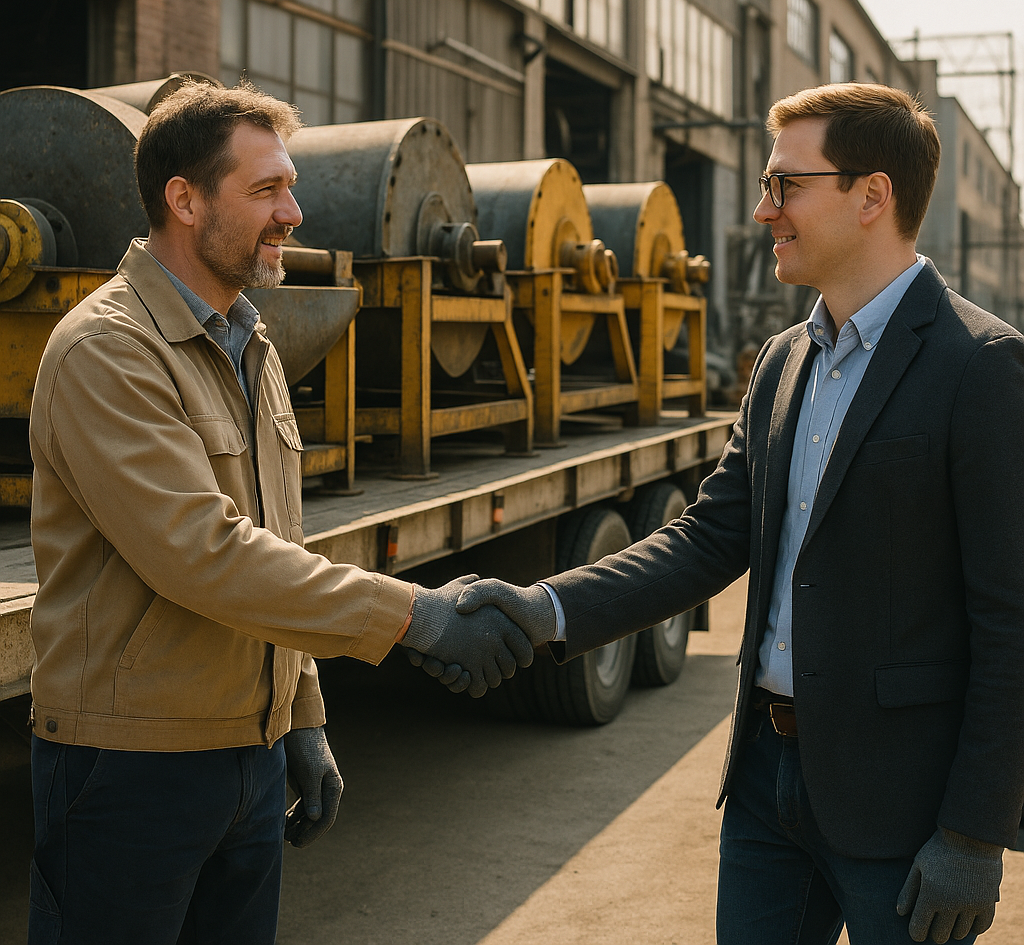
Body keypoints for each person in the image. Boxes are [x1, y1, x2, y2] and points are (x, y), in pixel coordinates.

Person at [452, 83, 1024, 944]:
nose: (764, 210)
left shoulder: (981, 367)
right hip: (765, 786)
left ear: (873, 196)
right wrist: (545, 609)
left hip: (902, 807)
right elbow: (707, 538)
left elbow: (1011, 622)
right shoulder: (785, 360)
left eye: (786, 185)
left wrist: (975, 834)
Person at [26, 81, 529, 944]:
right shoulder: (108, 350)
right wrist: (417, 618)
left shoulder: (250, 343)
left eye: (290, 186)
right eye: (267, 190)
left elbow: (276, 539)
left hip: (248, 756)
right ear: (183, 200)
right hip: (129, 766)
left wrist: (301, 713)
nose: (294, 213)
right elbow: (205, 555)